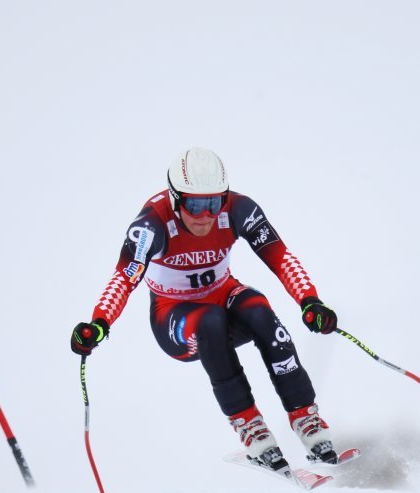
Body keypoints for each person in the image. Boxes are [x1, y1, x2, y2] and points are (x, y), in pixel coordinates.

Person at [71, 147, 341, 471]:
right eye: (195, 204)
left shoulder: (239, 209)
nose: (205, 215)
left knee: (259, 311)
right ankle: (251, 428)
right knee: (210, 321)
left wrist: (310, 301)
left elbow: (281, 258)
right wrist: (98, 323)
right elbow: (123, 279)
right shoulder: (150, 225)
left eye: (214, 203)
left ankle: (306, 420)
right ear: (175, 199)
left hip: (221, 293)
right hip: (175, 318)